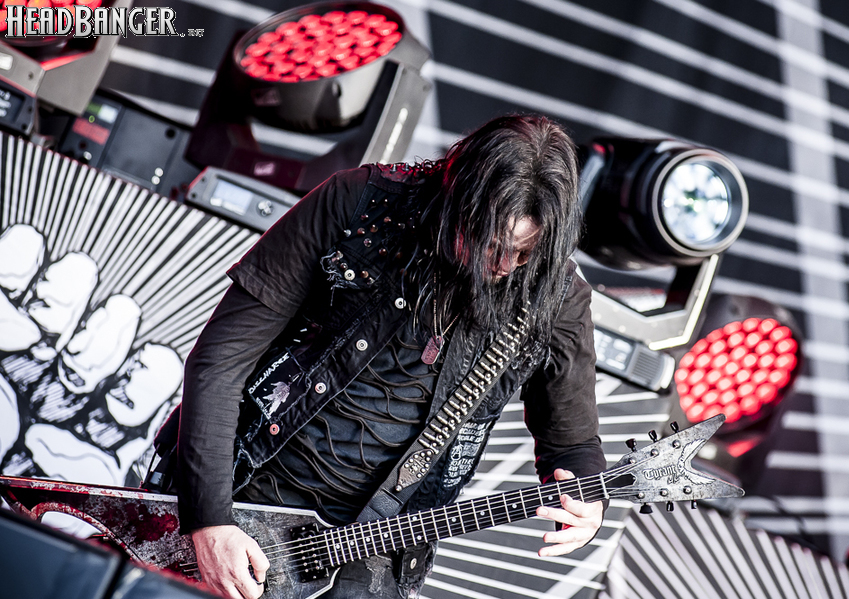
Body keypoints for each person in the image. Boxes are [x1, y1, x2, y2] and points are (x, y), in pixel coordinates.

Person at [175, 114, 606, 599]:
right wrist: (210, 520)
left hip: (374, 557)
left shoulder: (558, 297)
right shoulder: (358, 202)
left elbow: (572, 444)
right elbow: (220, 361)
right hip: (248, 496)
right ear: (456, 200)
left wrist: (588, 500)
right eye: (490, 244)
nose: (504, 265)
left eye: (523, 254)